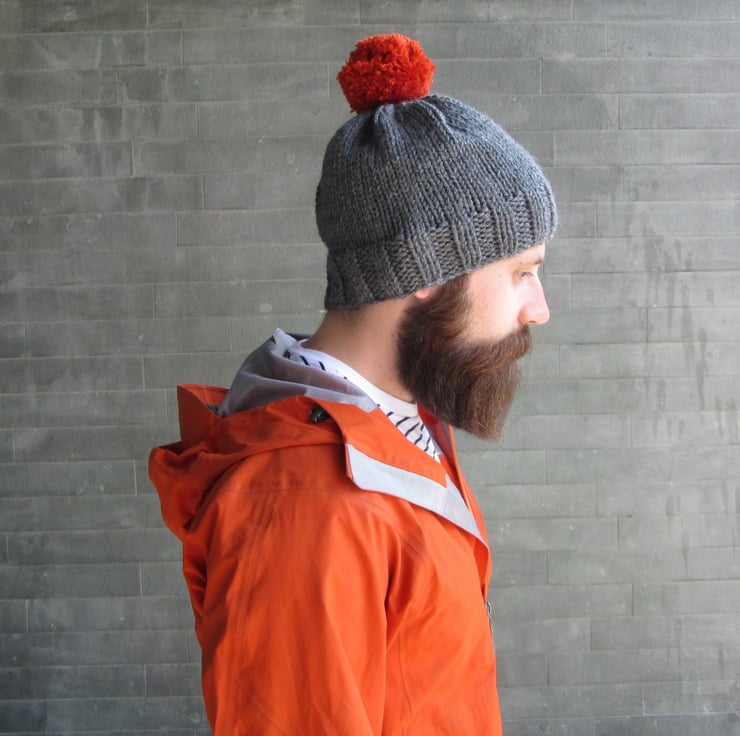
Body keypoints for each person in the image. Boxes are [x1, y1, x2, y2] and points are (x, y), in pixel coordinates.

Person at [150, 33, 556, 735]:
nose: (538, 308)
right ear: (428, 269)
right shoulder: (309, 504)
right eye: (521, 271)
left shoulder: (394, 426)